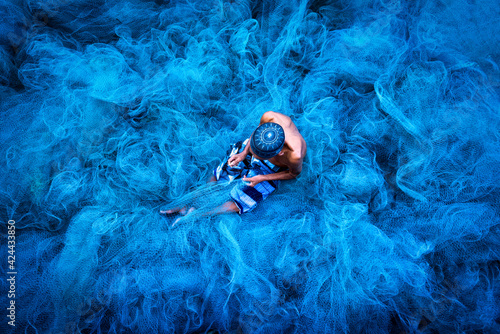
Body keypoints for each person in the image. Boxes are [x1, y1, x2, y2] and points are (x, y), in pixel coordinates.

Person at [160, 111, 307, 226]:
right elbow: (256, 130)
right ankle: (191, 201)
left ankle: (197, 214)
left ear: (279, 152)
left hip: (269, 170)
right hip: (250, 147)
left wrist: (262, 178)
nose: (255, 157)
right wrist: (244, 153)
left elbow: (292, 174)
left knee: (244, 197)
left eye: (259, 156)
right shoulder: (270, 117)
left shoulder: (295, 154)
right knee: (225, 170)